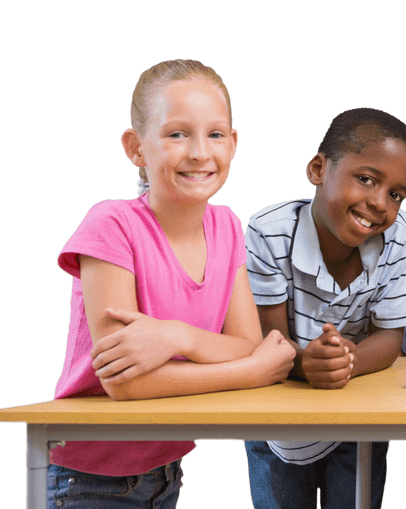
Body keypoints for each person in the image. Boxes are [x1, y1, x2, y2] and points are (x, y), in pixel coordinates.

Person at [50, 59, 296, 508]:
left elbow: (246, 339)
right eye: (177, 134)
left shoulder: (227, 226)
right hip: (90, 475)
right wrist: (253, 373)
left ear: (234, 144)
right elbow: (123, 382)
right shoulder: (111, 224)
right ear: (136, 147)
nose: (200, 152)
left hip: (164, 469)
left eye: (215, 134)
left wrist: (177, 336)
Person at [243, 108, 406, 509]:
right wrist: (306, 363)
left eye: (395, 194)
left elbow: (391, 337)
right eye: (366, 179)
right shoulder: (269, 232)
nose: (380, 203)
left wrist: (347, 360)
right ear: (318, 168)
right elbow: (267, 342)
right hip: (280, 413)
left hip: (357, 410)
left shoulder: (399, 236)